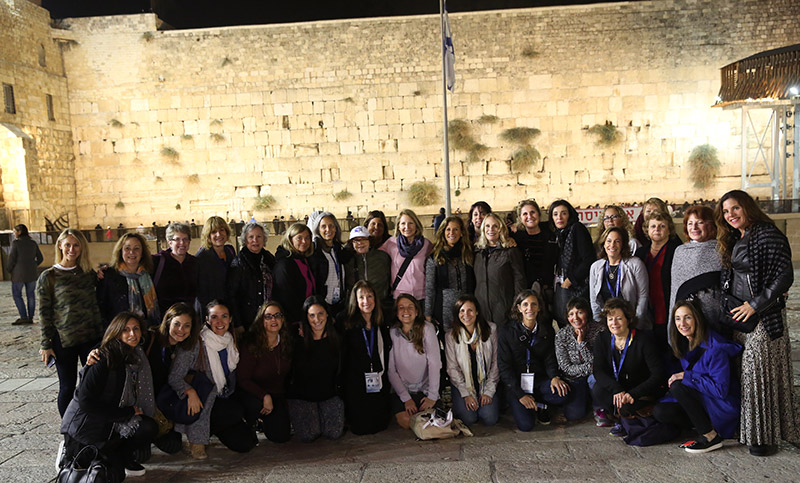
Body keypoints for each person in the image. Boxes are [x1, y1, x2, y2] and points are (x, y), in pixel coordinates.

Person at [715, 190, 799, 456]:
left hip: (763, 317)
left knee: (759, 377)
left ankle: (766, 438)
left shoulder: (766, 233)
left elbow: (784, 275)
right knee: (749, 378)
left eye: (735, 209)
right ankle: (757, 434)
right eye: (726, 212)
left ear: (747, 207)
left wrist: (755, 304)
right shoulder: (736, 236)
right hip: (741, 320)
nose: (731, 215)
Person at [60, 312, 157, 478]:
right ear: (116, 332)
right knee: (109, 475)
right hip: (88, 427)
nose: (132, 334)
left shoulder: (136, 355)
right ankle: (68, 453)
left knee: (148, 427)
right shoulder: (104, 358)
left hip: (111, 421)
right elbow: (85, 402)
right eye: (126, 330)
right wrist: (126, 413)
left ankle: (121, 455)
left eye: (136, 329)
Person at [653, 301, 742, 453]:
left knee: (678, 386)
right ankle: (701, 424)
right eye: (678, 319)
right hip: (704, 398)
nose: (682, 323)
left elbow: (720, 390)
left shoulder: (715, 348)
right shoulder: (686, 342)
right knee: (661, 411)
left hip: (721, 404)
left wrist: (686, 376)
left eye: (687, 317)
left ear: (697, 319)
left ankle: (710, 436)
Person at [37, 229, 104, 417]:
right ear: (60, 245)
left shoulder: (87, 274)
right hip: (64, 341)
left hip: (90, 338)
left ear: (82, 247)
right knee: (66, 387)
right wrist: (45, 345)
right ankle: (69, 431)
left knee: (91, 385)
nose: (72, 249)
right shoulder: (49, 277)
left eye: (76, 245)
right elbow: (44, 313)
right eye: (67, 244)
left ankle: (90, 426)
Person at [498, 289, 570, 431]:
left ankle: (539, 404)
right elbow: (504, 367)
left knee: (563, 393)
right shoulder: (507, 331)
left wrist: (554, 377)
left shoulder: (546, 330)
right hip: (516, 384)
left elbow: (550, 358)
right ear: (519, 308)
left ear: (539, 307)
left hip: (538, 381)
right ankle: (534, 405)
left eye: (533, 304)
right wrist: (520, 395)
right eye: (525, 305)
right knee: (526, 426)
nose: (529, 309)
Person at [592, 298, 665, 437]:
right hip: (619, 388)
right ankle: (619, 417)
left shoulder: (643, 340)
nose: (614, 323)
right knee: (597, 390)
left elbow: (658, 374)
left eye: (619, 318)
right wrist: (616, 389)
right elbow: (598, 370)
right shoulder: (602, 338)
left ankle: (627, 418)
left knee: (627, 407)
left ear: (628, 319)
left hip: (640, 389)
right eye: (610, 319)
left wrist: (634, 393)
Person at [201, 301, 256, 454]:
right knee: (235, 410)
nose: (219, 322)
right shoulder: (200, 343)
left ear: (230, 319)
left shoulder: (231, 340)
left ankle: (219, 426)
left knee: (246, 444)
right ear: (207, 319)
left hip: (225, 396)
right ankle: (198, 434)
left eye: (224, 316)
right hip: (206, 401)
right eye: (214, 317)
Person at [287, 297, 344, 442]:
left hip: (329, 394)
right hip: (303, 396)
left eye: (320, 314)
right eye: (311, 315)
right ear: (306, 317)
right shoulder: (296, 338)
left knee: (334, 433)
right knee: (308, 435)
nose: (316, 319)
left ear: (327, 315)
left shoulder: (337, 338)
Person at [236, 302, 292, 444]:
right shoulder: (251, 344)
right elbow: (243, 379)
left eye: (277, 316)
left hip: (276, 395)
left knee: (281, 436)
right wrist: (264, 396)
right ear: (261, 321)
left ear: (283, 319)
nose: (273, 320)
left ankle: (265, 421)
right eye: (268, 316)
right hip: (253, 393)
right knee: (254, 406)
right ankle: (250, 420)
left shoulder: (287, 342)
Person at [341, 281, 392, 435]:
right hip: (355, 384)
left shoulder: (381, 322)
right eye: (361, 297)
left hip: (378, 379)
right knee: (361, 428)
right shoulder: (345, 322)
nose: (366, 301)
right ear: (355, 300)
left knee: (381, 424)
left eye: (369, 296)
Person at [668, 205, 723, 338]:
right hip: (686, 321)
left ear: (710, 225)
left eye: (700, 222)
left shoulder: (722, 250)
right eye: (690, 223)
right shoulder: (680, 252)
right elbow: (675, 290)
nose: (694, 228)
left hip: (715, 317)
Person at [387, 294, 441, 429]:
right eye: (401, 308)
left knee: (428, 418)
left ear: (417, 311)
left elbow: (434, 364)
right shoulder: (392, 333)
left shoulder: (427, 329)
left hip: (425, 389)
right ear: (397, 312)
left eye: (410, 307)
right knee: (406, 421)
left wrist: (432, 396)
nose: (406, 311)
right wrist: (406, 399)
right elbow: (391, 370)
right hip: (403, 390)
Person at [445, 295, 500, 427]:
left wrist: (488, 391)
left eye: (470, 310)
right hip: (462, 384)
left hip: (486, 382)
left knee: (489, 418)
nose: (466, 315)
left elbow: (496, 363)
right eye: (462, 311)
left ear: (477, 312)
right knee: (469, 418)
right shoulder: (451, 336)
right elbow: (452, 368)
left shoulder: (491, 330)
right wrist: (466, 394)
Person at [635, 211, 682, 346]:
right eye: (653, 226)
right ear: (647, 230)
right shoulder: (640, 253)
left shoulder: (676, 251)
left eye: (662, 226)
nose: (657, 229)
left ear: (669, 230)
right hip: (646, 308)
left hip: (668, 306)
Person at [555, 297, 604, 424]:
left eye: (580, 312)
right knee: (574, 415)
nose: (575, 318)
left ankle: (599, 408)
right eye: (571, 314)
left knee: (594, 378)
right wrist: (589, 368)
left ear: (587, 313)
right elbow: (565, 367)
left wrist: (582, 344)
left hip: (595, 377)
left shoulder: (600, 331)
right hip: (574, 378)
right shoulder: (562, 335)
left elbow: (599, 363)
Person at [425, 215, 475, 333]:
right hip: (443, 309)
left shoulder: (469, 253)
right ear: (443, 232)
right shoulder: (435, 257)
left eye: (456, 229)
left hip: (467, 308)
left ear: (462, 232)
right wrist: (427, 314)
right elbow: (429, 288)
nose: (452, 232)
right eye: (448, 229)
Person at [98, 232, 160, 328]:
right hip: (119, 332)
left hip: (147, 331)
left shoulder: (150, 273)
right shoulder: (108, 275)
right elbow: (102, 308)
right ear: (120, 251)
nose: (132, 252)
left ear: (142, 252)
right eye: (127, 248)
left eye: (136, 248)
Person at [588, 227, 649, 325]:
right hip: (606, 323)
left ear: (623, 244)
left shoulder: (636, 264)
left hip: (630, 322)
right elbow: (594, 301)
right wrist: (599, 325)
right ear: (603, 244)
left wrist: (636, 324)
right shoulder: (595, 267)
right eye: (608, 241)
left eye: (617, 241)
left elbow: (643, 297)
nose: (612, 245)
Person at [550, 200, 596, 327]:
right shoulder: (559, 234)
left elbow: (588, 259)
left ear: (569, 215)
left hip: (574, 287)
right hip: (561, 284)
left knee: (575, 324)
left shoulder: (577, 229)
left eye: (563, 213)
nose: (559, 217)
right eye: (555, 214)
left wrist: (570, 280)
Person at [474, 212, 525, 326]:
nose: (491, 229)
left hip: (504, 310)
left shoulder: (510, 251)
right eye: (487, 226)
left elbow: (519, 280)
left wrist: (517, 306)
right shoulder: (477, 252)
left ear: (501, 229)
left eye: (495, 226)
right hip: (482, 311)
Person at [227, 222, 275, 331]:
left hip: (268, 318)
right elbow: (232, 295)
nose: (255, 240)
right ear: (245, 240)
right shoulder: (238, 263)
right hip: (248, 320)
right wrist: (238, 324)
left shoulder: (269, 259)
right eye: (251, 237)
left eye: (259, 236)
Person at [380, 209, 432, 302]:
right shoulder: (391, 244)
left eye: (411, 223)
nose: (407, 227)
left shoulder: (426, 244)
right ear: (398, 227)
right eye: (403, 223)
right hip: (399, 297)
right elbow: (376, 256)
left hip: (421, 297)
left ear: (416, 225)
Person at [272, 223, 316, 328]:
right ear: (290, 239)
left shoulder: (303, 259)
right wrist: (298, 320)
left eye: (307, 238)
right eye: (299, 238)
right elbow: (286, 298)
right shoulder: (284, 264)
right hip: (294, 323)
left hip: (306, 317)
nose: (304, 242)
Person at [343, 226, 393, 315]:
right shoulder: (347, 260)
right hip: (357, 306)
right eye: (356, 240)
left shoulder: (382, 257)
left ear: (369, 241)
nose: (360, 243)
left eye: (363, 239)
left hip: (381, 305)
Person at [307, 211, 349, 317]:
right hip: (323, 305)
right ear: (318, 229)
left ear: (336, 228)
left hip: (339, 304)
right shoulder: (314, 252)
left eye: (331, 226)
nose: (328, 230)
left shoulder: (338, 249)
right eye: (323, 226)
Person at [511, 199, 557, 292]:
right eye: (525, 214)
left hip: (548, 289)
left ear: (539, 214)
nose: (529, 216)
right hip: (525, 289)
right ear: (520, 218)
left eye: (533, 212)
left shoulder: (551, 234)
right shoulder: (516, 237)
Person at [152, 222, 197, 316]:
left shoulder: (194, 263)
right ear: (170, 242)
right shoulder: (158, 261)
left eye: (185, 239)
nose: (182, 243)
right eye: (177, 239)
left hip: (187, 317)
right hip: (164, 318)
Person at [195, 216, 236, 309]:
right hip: (209, 310)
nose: (219, 234)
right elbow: (200, 292)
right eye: (214, 232)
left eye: (222, 230)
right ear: (208, 235)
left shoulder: (229, 252)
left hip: (227, 307)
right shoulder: (201, 257)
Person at [8, 224, 43, 325]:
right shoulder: (33, 243)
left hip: (18, 274)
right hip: (32, 274)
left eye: (15, 231)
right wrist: (33, 265)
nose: (14, 234)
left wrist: (10, 269)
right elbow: (40, 258)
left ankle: (23, 317)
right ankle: (30, 317)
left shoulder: (16, 243)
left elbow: (12, 258)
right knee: (31, 295)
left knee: (17, 294)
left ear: (19, 232)